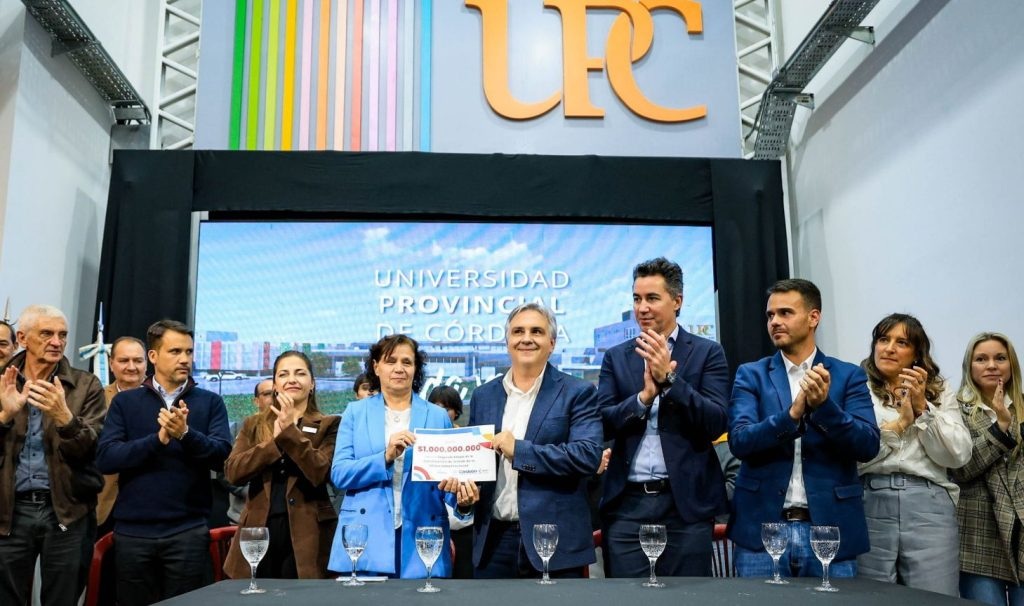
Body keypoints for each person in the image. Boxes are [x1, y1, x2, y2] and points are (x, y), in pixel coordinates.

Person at [729, 278, 879, 579]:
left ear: (814, 317)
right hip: (764, 531)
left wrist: (825, 407)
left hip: (829, 530)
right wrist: (792, 415)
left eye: (785, 313)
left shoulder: (849, 376)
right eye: (770, 315)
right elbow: (740, 440)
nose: (775, 322)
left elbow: (867, 445)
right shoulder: (751, 374)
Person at [599, 257, 729, 578]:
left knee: (688, 600)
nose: (642, 307)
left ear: (677, 301)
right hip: (627, 506)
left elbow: (716, 422)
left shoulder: (706, 352)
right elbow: (603, 422)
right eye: (637, 298)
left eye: (652, 298)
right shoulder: (616, 357)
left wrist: (669, 382)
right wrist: (643, 398)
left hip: (685, 505)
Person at [96, 319, 233, 606]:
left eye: (189, 351)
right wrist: (156, 441)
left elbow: (222, 456)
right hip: (133, 534)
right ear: (154, 356)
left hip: (188, 532)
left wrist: (185, 434)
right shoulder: (126, 403)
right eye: (175, 351)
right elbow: (107, 458)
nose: (185, 359)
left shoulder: (210, 402)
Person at [469, 303, 603, 578]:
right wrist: (463, 492)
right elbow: (475, 465)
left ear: (551, 343)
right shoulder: (483, 395)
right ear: (507, 341)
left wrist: (518, 450)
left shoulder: (578, 392)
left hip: (553, 541)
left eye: (536, 331)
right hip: (493, 541)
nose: (526, 338)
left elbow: (587, 456)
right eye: (518, 331)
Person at [329, 334, 477, 578]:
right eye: (391, 361)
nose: (399, 368)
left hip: (423, 535)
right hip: (365, 536)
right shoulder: (355, 413)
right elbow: (340, 474)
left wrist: (462, 500)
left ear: (415, 369)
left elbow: (449, 484)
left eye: (407, 362)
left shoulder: (437, 416)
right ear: (376, 367)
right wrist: (385, 457)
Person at [856, 313, 971, 595]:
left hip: (929, 504)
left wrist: (922, 410)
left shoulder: (940, 391)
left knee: (936, 598)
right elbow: (856, 456)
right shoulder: (857, 388)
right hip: (869, 500)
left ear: (917, 354)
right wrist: (899, 425)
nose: (889, 348)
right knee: (871, 599)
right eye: (883, 339)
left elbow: (958, 455)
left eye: (901, 342)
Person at [0, 305, 105, 606]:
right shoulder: (0, 381)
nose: (57, 342)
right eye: (46, 334)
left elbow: (93, 449)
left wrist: (65, 419)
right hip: (8, 512)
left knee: (63, 599)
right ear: (22, 337)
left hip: (67, 511)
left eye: (62, 335)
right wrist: (4, 415)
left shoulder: (86, 385)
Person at [223, 351, 340, 579]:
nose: (292, 379)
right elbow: (233, 472)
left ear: (312, 383)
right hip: (258, 529)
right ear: (275, 384)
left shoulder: (330, 424)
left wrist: (289, 434)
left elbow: (321, 471)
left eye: (300, 373)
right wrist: (273, 445)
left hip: (310, 532)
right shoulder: (253, 424)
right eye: (283, 374)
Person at [951, 332, 1024, 606]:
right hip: (978, 535)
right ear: (969, 367)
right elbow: (961, 468)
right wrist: (1001, 428)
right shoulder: (955, 410)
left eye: (1000, 358)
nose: (992, 365)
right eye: (981, 359)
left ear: (1011, 364)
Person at [97, 336, 148, 534]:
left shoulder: (162, 400)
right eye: (123, 360)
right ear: (111, 364)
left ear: (147, 363)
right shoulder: (95, 399)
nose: (131, 367)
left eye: (137, 360)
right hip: (103, 500)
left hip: (147, 500)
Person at [427, 384, 473, 579]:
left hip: (463, 527)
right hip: (431, 524)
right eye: (435, 407)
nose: (441, 413)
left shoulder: (469, 440)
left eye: (446, 408)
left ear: (456, 412)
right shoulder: (422, 442)